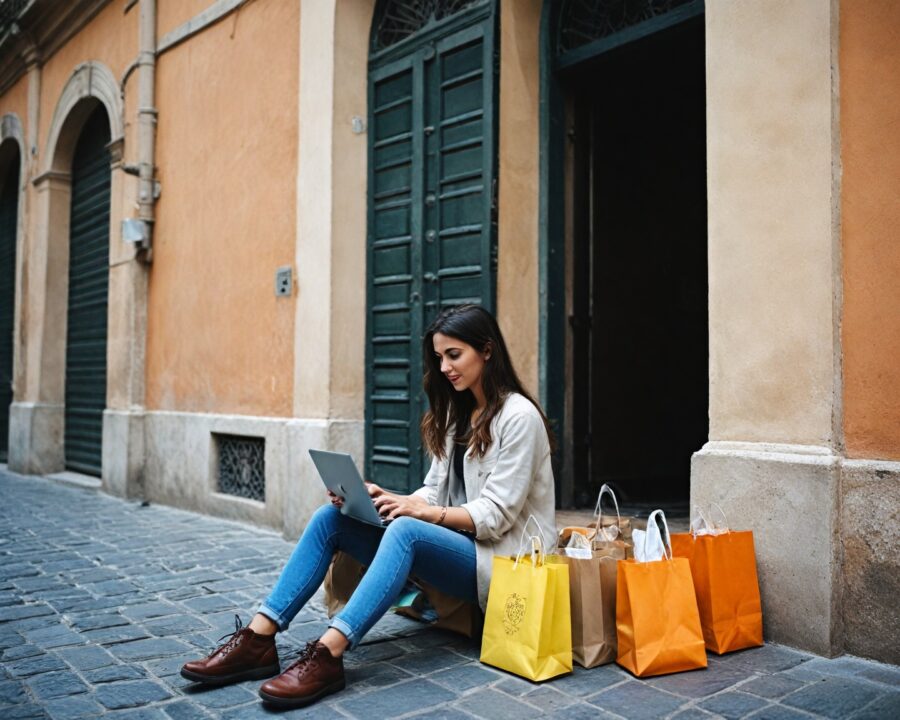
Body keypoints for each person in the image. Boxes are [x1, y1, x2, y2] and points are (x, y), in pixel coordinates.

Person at [179, 304, 556, 708]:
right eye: (439, 357)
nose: (445, 367)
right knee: (332, 519)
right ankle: (258, 639)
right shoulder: (457, 415)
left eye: (454, 355)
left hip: (503, 565)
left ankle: (329, 653)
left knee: (407, 531)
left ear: (486, 350)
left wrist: (421, 514)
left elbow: (495, 517)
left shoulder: (519, 417)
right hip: (458, 547)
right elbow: (433, 491)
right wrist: (387, 499)